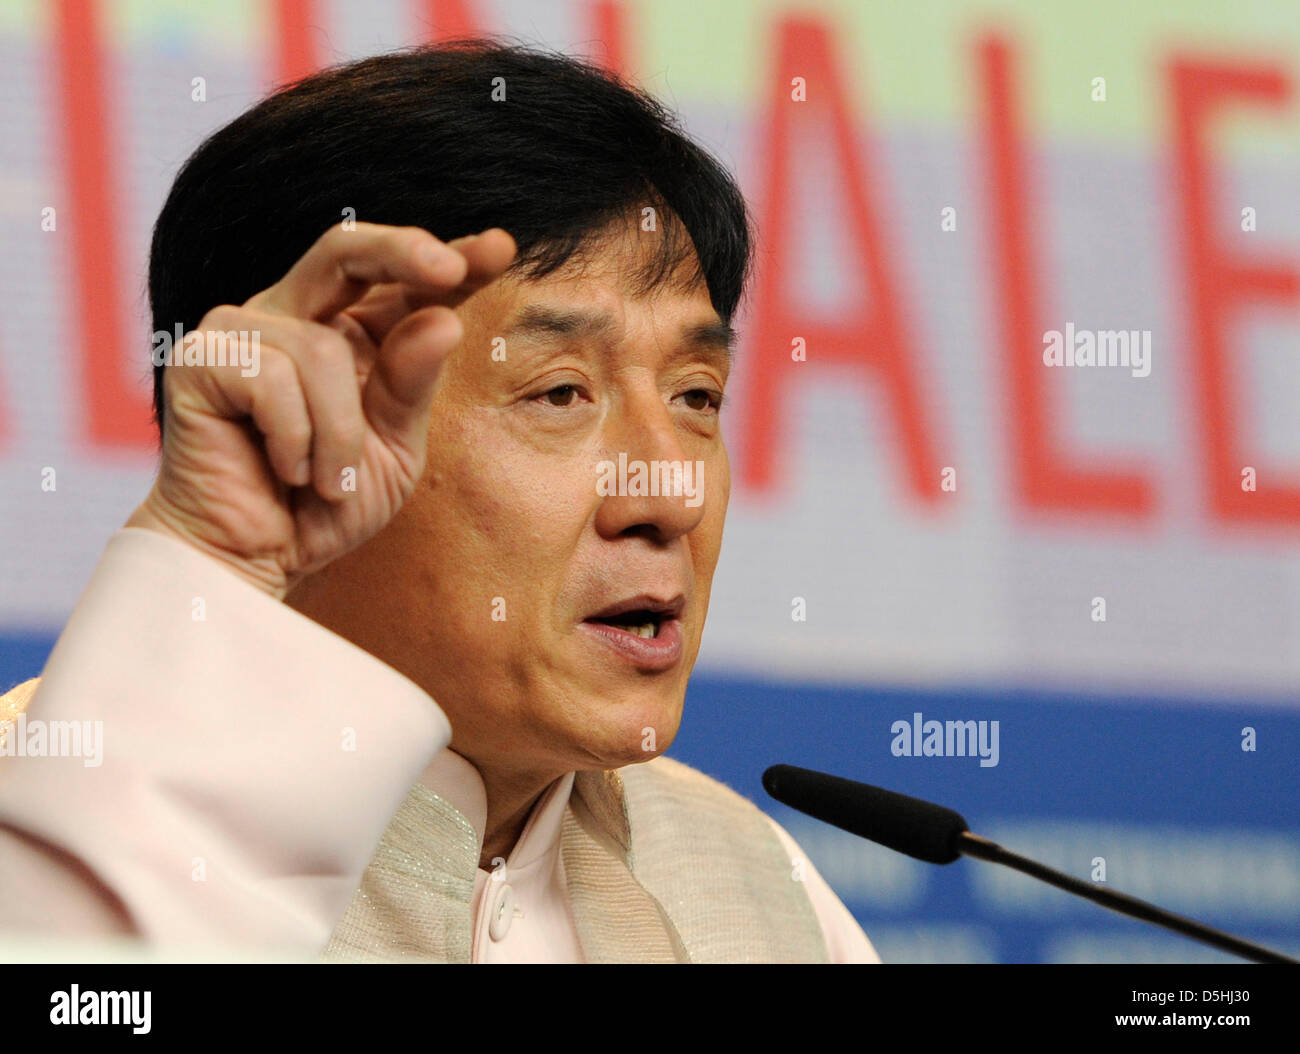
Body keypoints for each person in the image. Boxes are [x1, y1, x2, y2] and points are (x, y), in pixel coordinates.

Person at [0, 40, 879, 963]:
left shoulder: (757, 891)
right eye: (559, 392)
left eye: (697, 396)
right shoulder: (51, 827)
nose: (671, 495)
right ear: (302, 421)